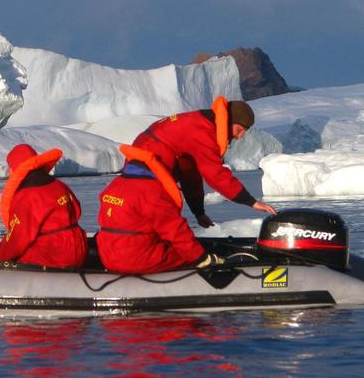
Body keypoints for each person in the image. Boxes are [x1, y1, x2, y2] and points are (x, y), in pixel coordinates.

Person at [96, 96, 276, 274]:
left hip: (143, 171)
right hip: (151, 184)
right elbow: (215, 174)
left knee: (149, 220)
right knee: (170, 227)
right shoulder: (202, 131)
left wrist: (198, 212)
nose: (240, 136)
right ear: (228, 121)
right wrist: (250, 201)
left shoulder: (117, 186)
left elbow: (189, 173)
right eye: (239, 129)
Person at [0, 143, 88, 268]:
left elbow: (18, 239)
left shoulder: (26, 196)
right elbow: (77, 209)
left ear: (14, 169)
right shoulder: (59, 186)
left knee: (12, 255)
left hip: (52, 254)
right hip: (78, 248)